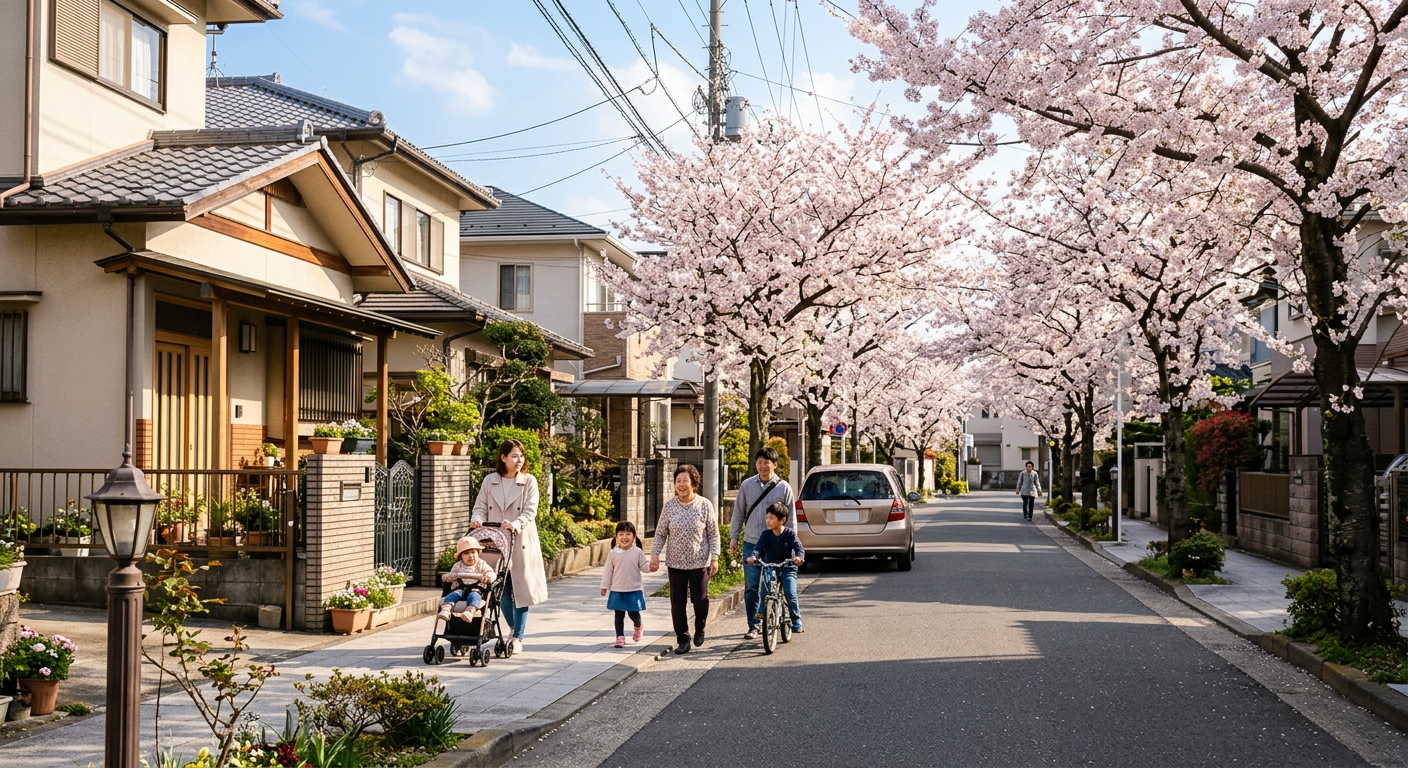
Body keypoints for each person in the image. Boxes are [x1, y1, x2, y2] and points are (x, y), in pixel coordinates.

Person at [471, 438, 548, 654]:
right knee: (498, 588)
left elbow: (530, 510)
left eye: (521, 456)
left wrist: (516, 524)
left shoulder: (529, 481)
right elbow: (480, 507)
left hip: (520, 541)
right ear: (503, 458)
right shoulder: (490, 481)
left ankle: (518, 636)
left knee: (520, 590)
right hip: (495, 542)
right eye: (514, 455)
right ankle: (513, 628)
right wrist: (477, 519)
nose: (519, 460)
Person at [650, 464, 720, 655]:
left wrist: (715, 557)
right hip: (675, 564)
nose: (681, 485)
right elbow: (660, 534)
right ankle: (683, 638)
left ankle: (700, 628)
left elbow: (713, 534)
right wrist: (654, 555)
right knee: (677, 603)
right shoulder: (669, 506)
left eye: (685, 481)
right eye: (678, 481)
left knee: (700, 600)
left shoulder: (704, 505)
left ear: (694, 483)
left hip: (700, 563)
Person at [729, 446, 796, 640]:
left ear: (774, 465)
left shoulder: (784, 488)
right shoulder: (747, 486)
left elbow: (791, 521)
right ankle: (753, 625)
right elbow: (738, 514)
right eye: (759, 462)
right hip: (751, 543)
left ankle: (770, 619)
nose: (762, 466)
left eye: (766, 462)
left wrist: (792, 546)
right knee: (751, 587)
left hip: (775, 545)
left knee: (768, 586)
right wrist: (734, 538)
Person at [746, 502, 805, 633]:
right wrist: (753, 557)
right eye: (767, 517)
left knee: (791, 594)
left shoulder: (790, 534)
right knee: (765, 587)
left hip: (787, 568)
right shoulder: (765, 535)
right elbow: (757, 549)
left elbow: (799, 548)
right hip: (770, 566)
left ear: (782, 520)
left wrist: (798, 557)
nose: (768, 521)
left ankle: (796, 620)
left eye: (771, 518)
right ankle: (762, 609)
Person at [600, 520, 650, 648]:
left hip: (634, 589)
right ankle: (620, 638)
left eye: (628, 534)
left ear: (634, 537)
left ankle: (638, 626)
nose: (624, 537)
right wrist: (604, 586)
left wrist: (652, 567)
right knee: (618, 615)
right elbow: (608, 571)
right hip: (617, 589)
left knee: (634, 613)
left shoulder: (637, 552)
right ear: (616, 537)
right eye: (621, 534)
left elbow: (644, 567)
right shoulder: (613, 553)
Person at [438, 536, 495, 622]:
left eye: (473, 552)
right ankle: (446, 610)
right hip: (460, 589)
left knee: (474, 597)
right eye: (466, 553)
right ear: (461, 556)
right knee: (451, 595)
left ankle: (469, 612)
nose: (470, 556)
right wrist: (447, 577)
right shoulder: (458, 565)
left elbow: (491, 573)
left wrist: (488, 576)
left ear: (478, 553)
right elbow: (451, 576)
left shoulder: (481, 564)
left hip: (476, 590)